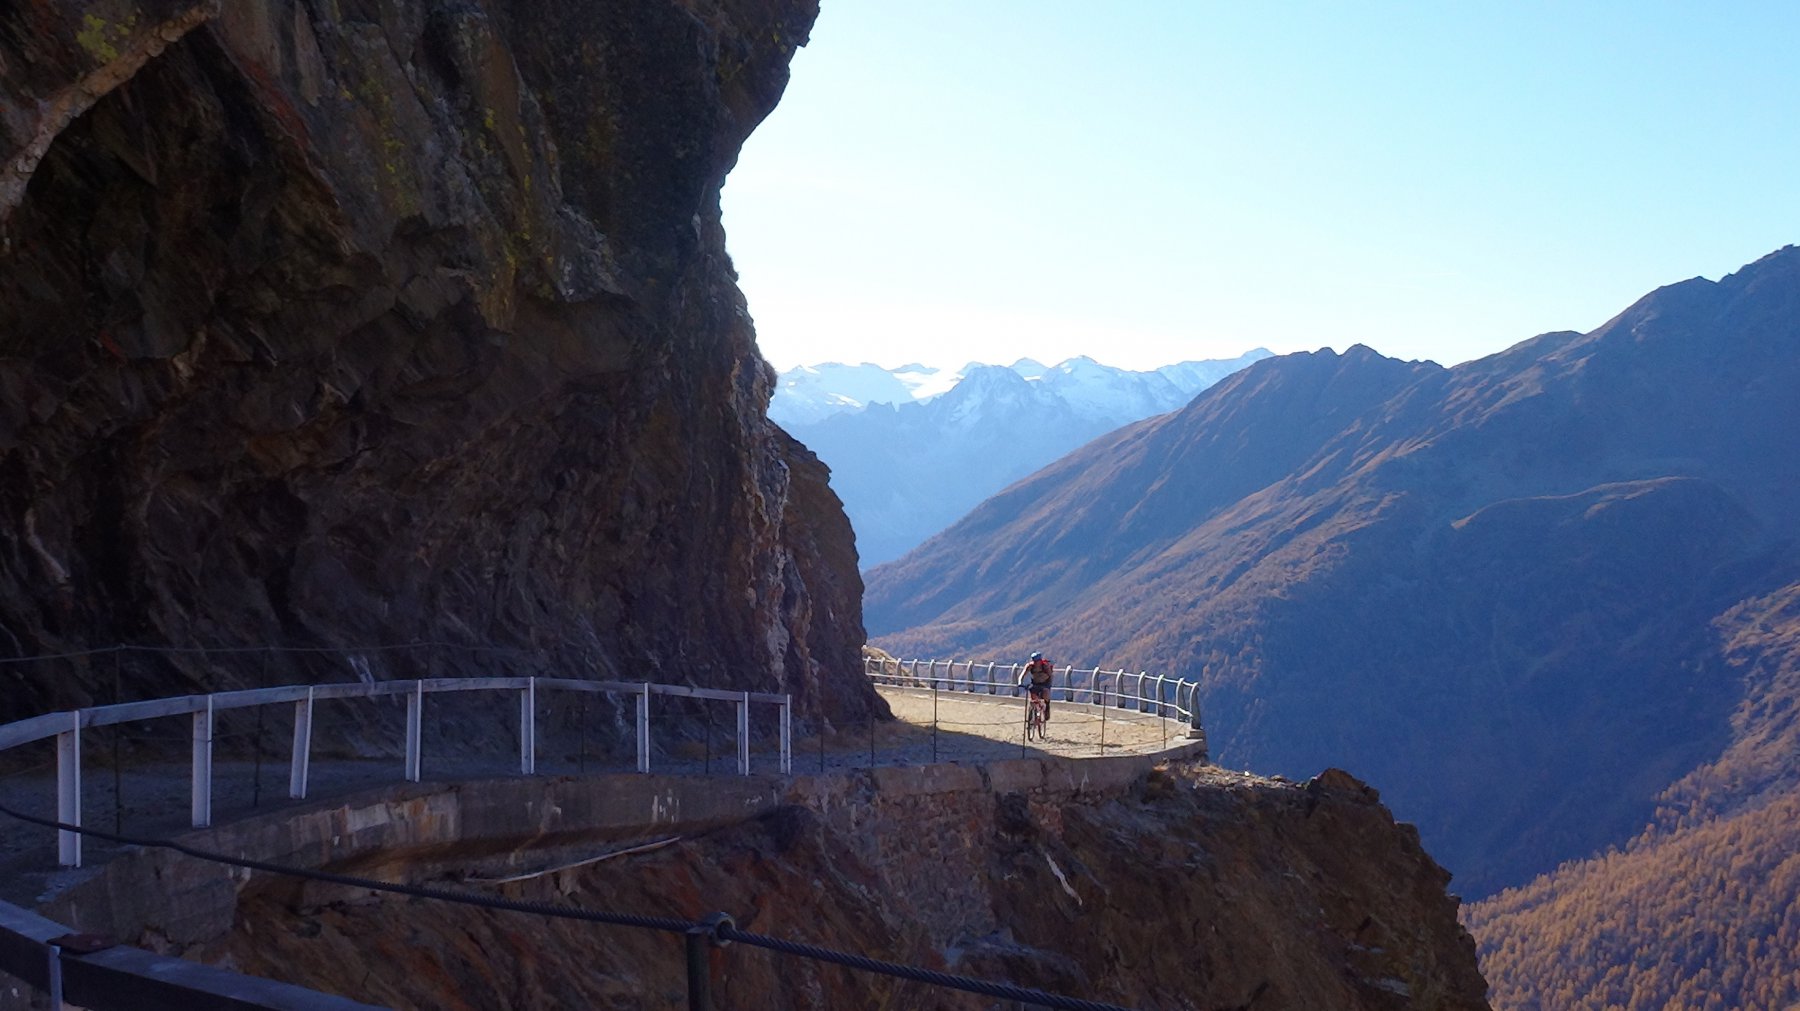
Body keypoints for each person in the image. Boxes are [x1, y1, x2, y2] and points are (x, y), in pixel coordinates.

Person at [1019, 651, 1055, 722]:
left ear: (1040, 661)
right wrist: (1020, 682)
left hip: (1045, 683)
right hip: (1035, 683)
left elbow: (1050, 676)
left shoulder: (1045, 666)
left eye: (1037, 661)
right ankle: (1033, 712)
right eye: (1034, 661)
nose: (1035, 663)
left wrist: (1049, 685)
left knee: (1045, 694)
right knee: (1033, 696)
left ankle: (1047, 708)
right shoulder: (1030, 666)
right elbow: (1022, 675)